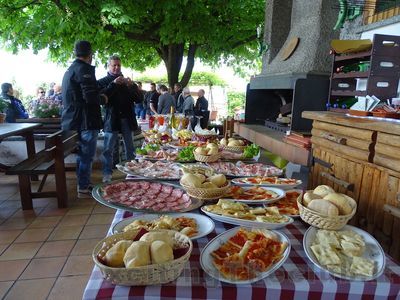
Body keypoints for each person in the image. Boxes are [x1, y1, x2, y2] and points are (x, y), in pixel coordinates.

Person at [61, 40, 108, 197]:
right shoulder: (84, 69)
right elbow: (90, 95)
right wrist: (103, 99)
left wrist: (111, 80)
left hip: (74, 120)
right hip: (85, 120)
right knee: (87, 154)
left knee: (83, 154)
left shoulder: (72, 69)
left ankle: (83, 183)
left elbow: (90, 86)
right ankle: (83, 186)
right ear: (90, 54)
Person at [97, 55, 142, 183]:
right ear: (108, 66)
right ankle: (107, 173)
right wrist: (113, 84)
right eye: (114, 65)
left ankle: (132, 173)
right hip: (111, 120)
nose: (117, 67)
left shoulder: (127, 82)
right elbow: (101, 100)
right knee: (108, 149)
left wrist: (132, 85)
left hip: (127, 119)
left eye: (118, 65)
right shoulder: (102, 82)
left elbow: (139, 99)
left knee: (130, 148)